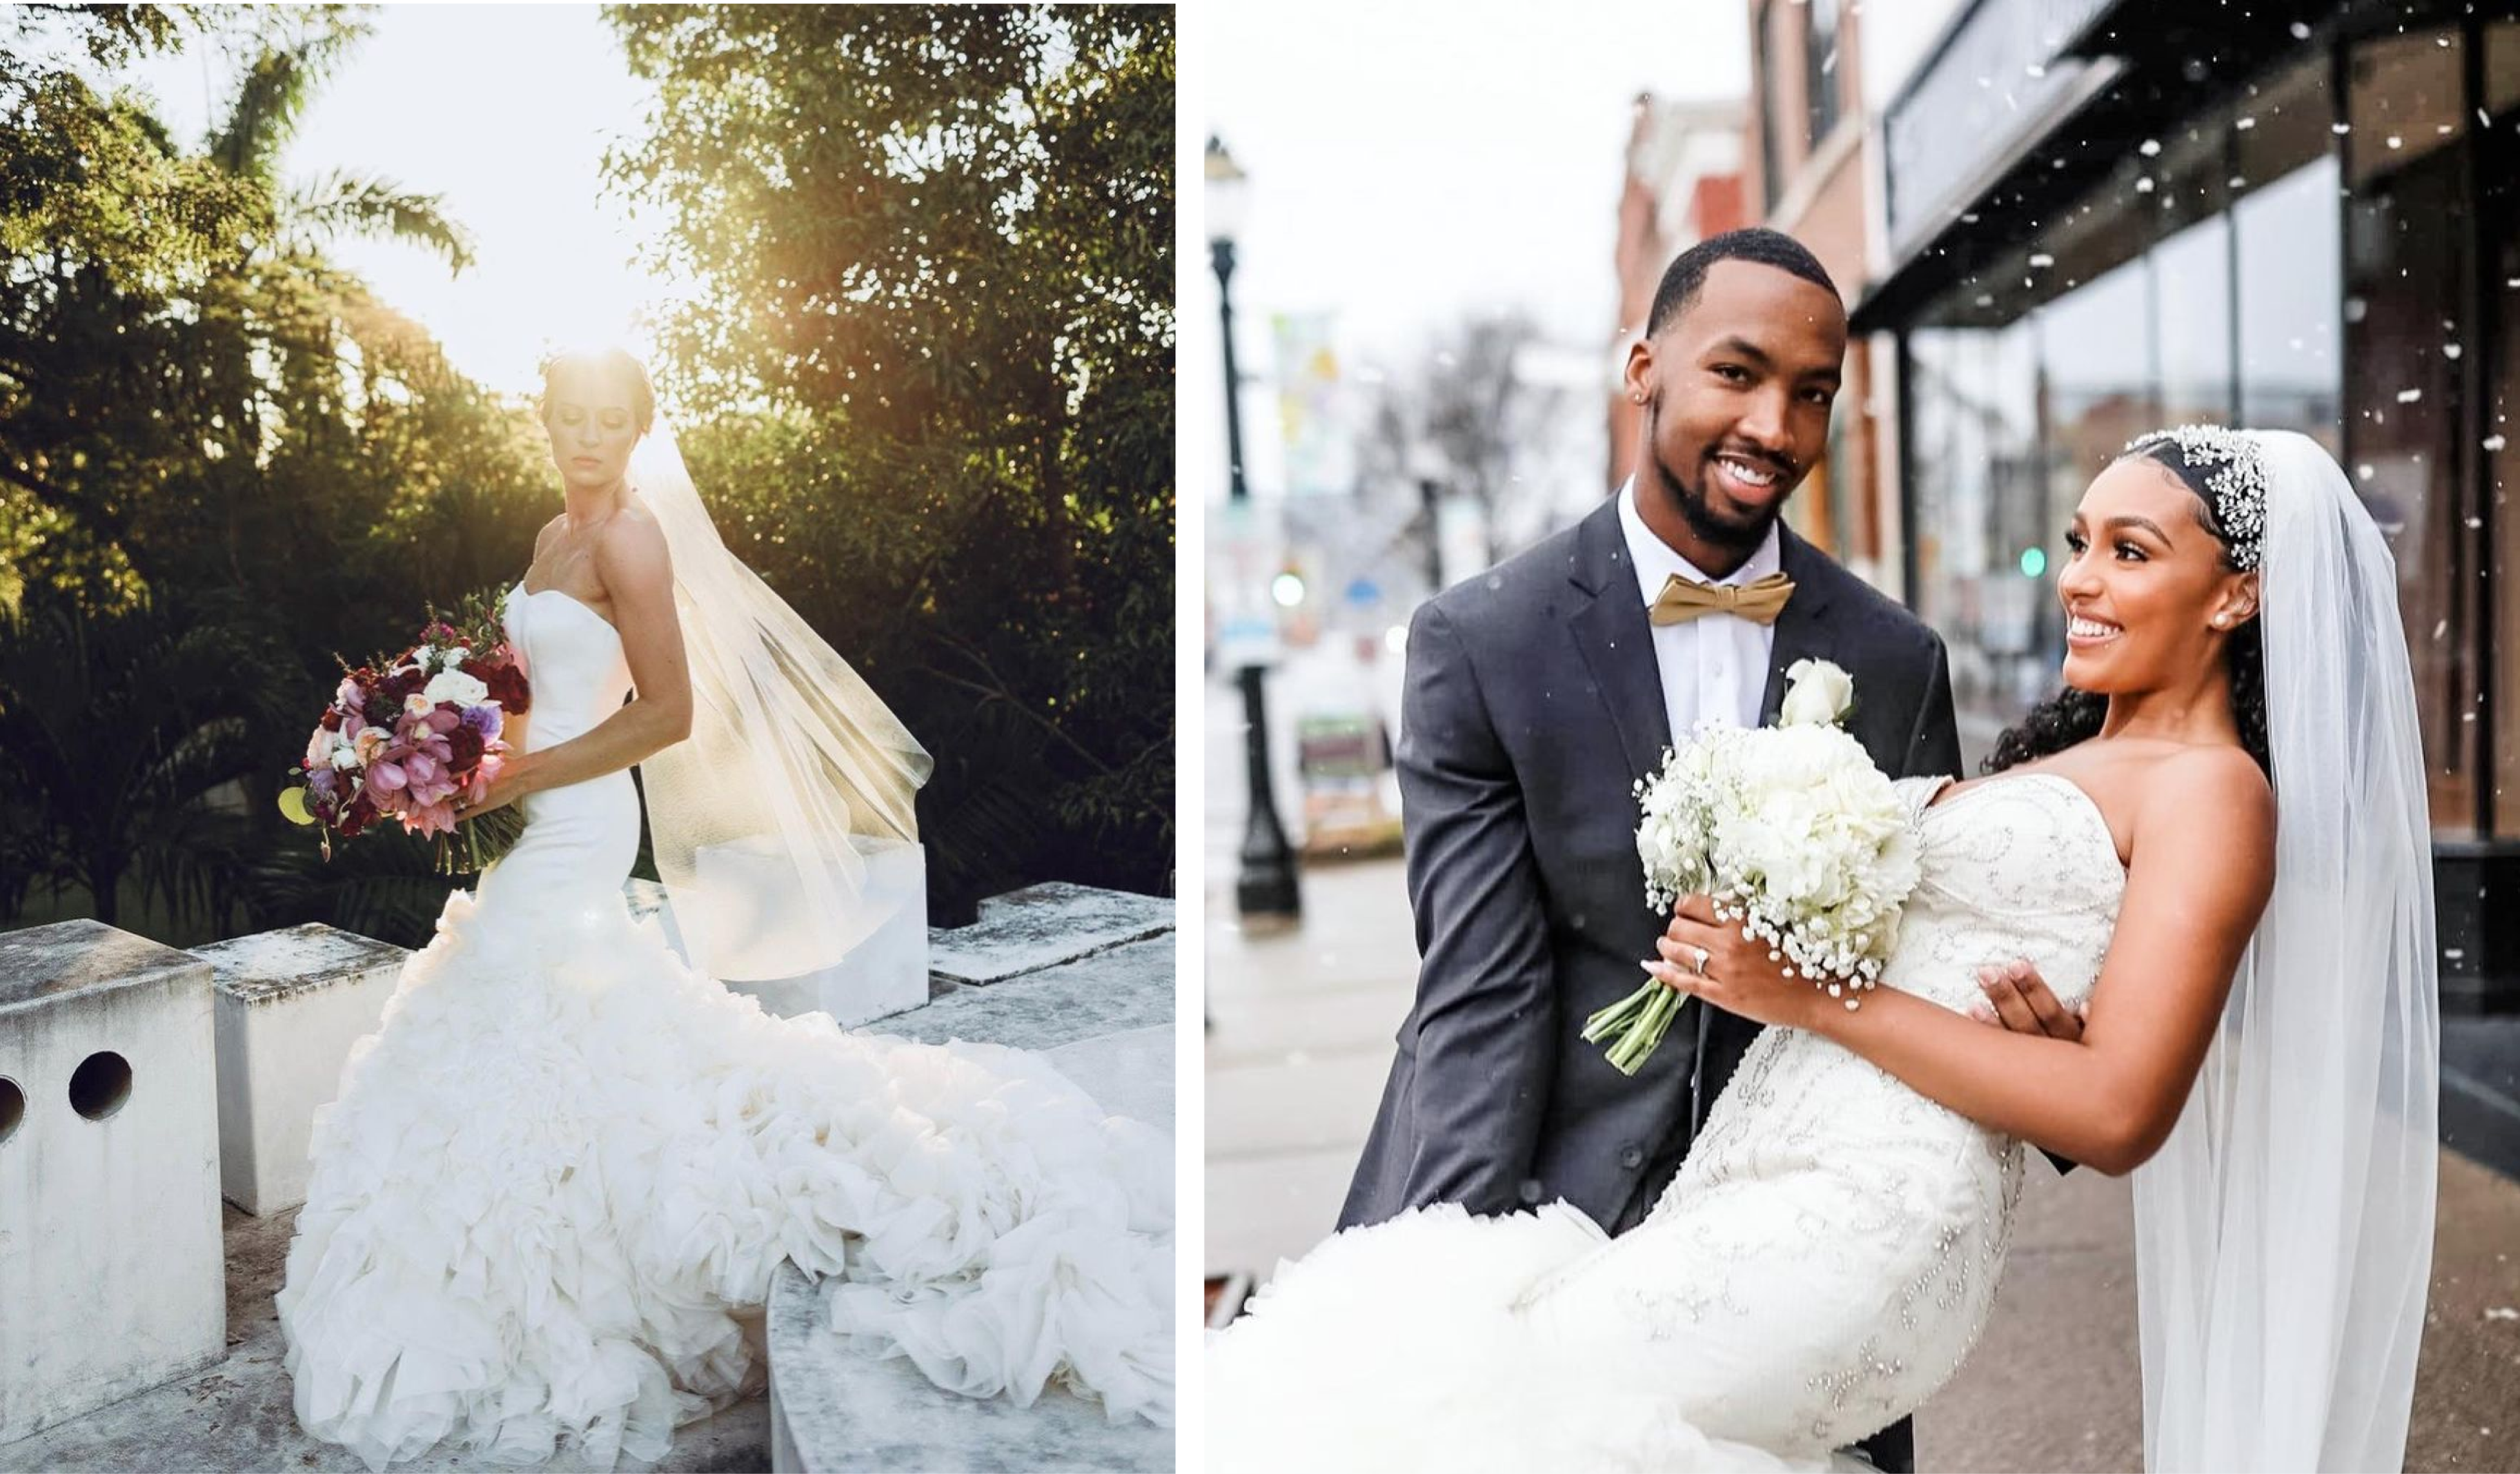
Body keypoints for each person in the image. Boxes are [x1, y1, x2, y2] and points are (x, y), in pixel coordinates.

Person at [1207, 423, 2438, 1474]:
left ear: (2238, 594)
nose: (2080, 577)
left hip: (1874, 1214)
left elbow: (2117, 1111)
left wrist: (1810, 999)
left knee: (1503, 1411)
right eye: (2079, 541)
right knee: (1472, 1379)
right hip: (1749, 1173)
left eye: (2131, 552)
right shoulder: (2060, 756)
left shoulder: (2214, 794)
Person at [277, 347, 1192, 1471]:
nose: (590, 437)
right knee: (530, 1011)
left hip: (585, 817)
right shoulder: (549, 540)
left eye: (613, 419)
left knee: (528, 999)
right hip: (539, 813)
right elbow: (520, 693)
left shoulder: (631, 539)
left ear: (638, 429)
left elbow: (667, 711)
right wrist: (438, 756)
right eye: (573, 416)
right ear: (547, 422)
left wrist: (522, 777)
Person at [1339, 228, 1971, 1473]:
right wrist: (1455, 1293)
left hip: (1798, 1247)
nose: (1776, 427)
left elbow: (1920, 962)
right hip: (1548, 1195)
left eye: (1813, 393)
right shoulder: (1484, 639)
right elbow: (1482, 984)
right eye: (1736, 374)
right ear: (1643, 367)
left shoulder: (1899, 660)